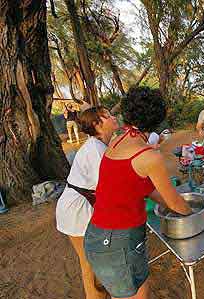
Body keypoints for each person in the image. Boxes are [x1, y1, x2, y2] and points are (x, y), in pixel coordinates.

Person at [84, 86, 192, 299]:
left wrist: (171, 202)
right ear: (156, 121)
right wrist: (192, 211)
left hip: (98, 235)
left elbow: (145, 188)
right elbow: (175, 203)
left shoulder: (116, 142)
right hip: (118, 242)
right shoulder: (149, 156)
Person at [56, 107, 119, 299]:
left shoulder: (99, 145)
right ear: (97, 125)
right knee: (89, 263)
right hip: (77, 210)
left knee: (94, 260)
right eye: (107, 116)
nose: (113, 117)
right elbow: (109, 188)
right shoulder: (96, 150)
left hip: (82, 206)